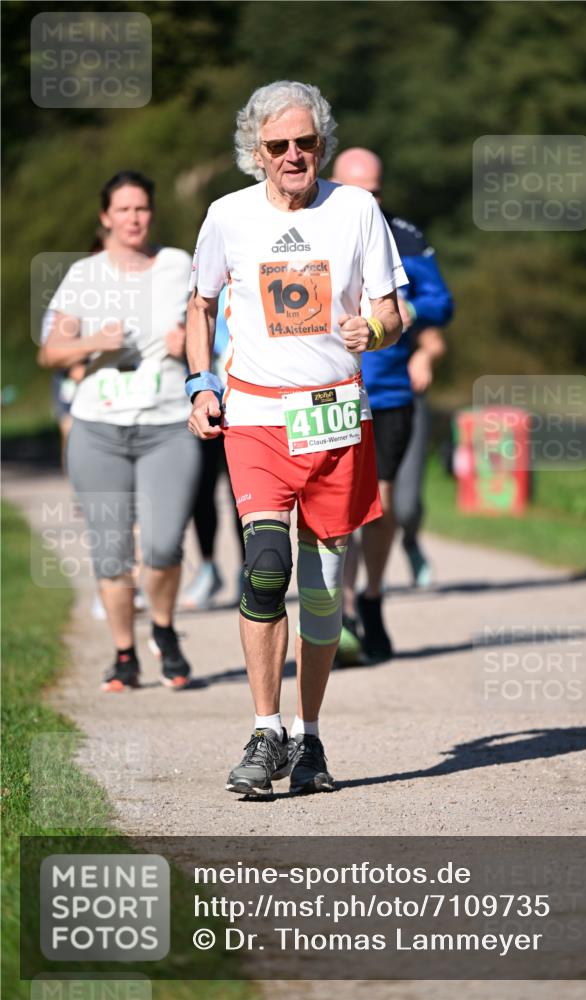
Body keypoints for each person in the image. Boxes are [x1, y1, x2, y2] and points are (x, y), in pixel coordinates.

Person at [186, 80, 406, 797]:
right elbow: (201, 303)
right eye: (277, 145)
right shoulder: (227, 215)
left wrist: (370, 328)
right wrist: (199, 383)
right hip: (255, 417)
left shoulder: (356, 209)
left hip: (334, 416)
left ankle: (308, 740)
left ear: (321, 145)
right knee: (265, 566)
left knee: (319, 593)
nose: (292, 155)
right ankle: (263, 728)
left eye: (304, 143)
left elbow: (392, 312)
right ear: (256, 149)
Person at [40, 170, 200, 691]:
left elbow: (217, 319)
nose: (134, 218)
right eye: (124, 209)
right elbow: (51, 351)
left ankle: (163, 628)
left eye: (142, 208)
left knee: (163, 546)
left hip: (168, 424)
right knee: (110, 552)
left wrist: (191, 338)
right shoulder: (84, 275)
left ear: (152, 213)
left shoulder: (178, 264)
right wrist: (95, 343)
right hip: (99, 429)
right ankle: (125, 656)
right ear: (105, 217)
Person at [331, 148, 453, 662]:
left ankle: (371, 598)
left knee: (378, 507)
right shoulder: (310, 229)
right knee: (336, 513)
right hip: (328, 393)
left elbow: (443, 302)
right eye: (356, 189)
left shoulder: (403, 235)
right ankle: (339, 614)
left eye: (375, 191)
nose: (367, 200)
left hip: (387, 395)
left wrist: (411, 311)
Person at [181, 290, 245, 610]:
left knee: (243, 495)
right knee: (201, 491)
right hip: (203, 403)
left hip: (245, 403)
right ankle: (208, 569)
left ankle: (249, 571)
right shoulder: (197, 283)